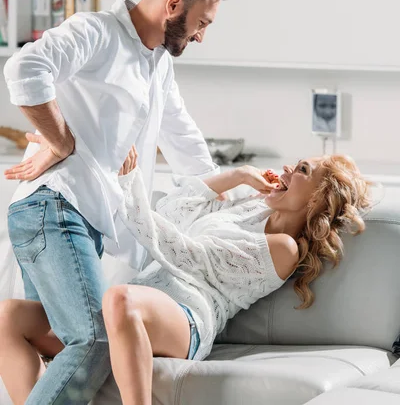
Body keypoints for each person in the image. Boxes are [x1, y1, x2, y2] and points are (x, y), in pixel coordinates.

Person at [2, 0, 231, 404]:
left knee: (54, 343)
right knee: (93, 341)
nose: (202, 36)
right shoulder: (97, 32)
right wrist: (62, 140)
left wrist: (243, 193)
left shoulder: (157, 64)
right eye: (201, 22)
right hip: (54, 206)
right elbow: (23, 69)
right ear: (172, 6)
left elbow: (187, 146)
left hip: (78, 217)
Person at [0, 153, 371, 405]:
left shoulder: (283, 248)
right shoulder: (248, 206)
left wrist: (130, 185)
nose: (288, 168)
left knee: (118, 299)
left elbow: (185, 252)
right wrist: (238, 174)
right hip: (138, 302)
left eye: (303, 170)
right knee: (8, 318)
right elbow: (172, 211)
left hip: (188, 317)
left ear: (316, 202)